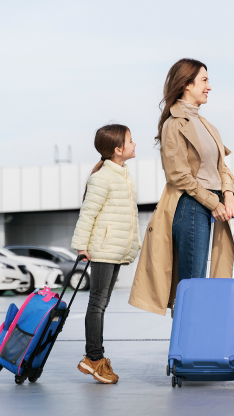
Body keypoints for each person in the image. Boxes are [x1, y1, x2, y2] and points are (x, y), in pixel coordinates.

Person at [128, 58, 234, 317]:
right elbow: (179, 175)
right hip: (190, 206)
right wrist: (215, 203)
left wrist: (229, 195)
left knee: (200, 285)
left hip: (213, 205)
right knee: (191, 286)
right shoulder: (174, 124)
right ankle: (183, 355)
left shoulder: (207, 125)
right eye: (204, 80)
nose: (209, 86)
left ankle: (192, 349)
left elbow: (223, 166)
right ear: (187, 84)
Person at [71, 124, 141, 384]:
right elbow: (87, 213)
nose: (135, 144)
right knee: (97, 304)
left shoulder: (124, 175)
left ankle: (94, 358)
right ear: (118, 149)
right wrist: (81, 246)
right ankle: (93, 358)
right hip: (102, 250)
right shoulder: (102, 177)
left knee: (101, 303)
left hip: (114, 251)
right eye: (131, 141)